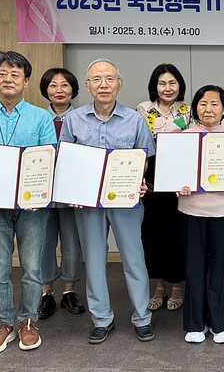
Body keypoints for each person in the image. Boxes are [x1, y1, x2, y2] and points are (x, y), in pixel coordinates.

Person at [0, 51, 56, 355]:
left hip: (32, 209)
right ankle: (3, 324)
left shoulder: (41, 117)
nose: (8, 79)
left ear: (26, 81)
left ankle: (28, 321)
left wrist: (39, 194)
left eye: (15, 74)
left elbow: (48, 161)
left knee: (32, 267)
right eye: (3, 73)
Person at [59, 59, 156, 344]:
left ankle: (142, 317)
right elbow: (66, 160)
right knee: (94, 260)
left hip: (126, 200)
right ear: (87, 86)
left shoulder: (135, 120)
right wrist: (71, 191)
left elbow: (144, 158)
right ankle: (102, 319)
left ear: (119, 84)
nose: (104, 85)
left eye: (110, 79)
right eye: (97, 80)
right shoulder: (73, 120)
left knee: (134, 259)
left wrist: (139, 179)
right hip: (88, 203)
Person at [178, 85, 224, 344]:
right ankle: (195, 323)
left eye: (214, 104)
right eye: (203, 103)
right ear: (195, 108)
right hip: (191, 210)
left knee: (221, 267)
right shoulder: (183, 137)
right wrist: (177, 184)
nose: (208, 109)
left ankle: (220, 324)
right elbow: (173, 172)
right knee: (194, 267)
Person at [136, 63, 192, 313]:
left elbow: (193, 147)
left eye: (172, 82)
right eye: (162, 83)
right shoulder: (142, 110)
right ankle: (159, 286)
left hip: (178, 179)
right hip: (150, 178)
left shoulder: (188, 111)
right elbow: (137, 145)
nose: (167, 88)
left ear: (179, 85)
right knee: (151, 234)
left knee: (175, 234)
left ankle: (177, 286)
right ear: (154, 86)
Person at [36, 68, 86, 320]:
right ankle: (46, 293)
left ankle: (69, 291)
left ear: (73, 90)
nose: (59, 90)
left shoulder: (82, 118)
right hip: (42, 192)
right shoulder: (37, 118)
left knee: (72, 243)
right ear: (45, 90)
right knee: (43, 244)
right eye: (53, 85)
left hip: (71, 192)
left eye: (64, 85)